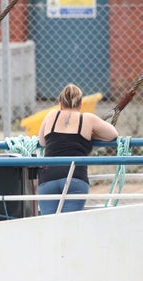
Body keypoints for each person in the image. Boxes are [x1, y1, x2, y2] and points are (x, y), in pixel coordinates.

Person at [37, 83, 118, 215]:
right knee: (69, 226)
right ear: (80, 104)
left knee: (49, 226)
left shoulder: (51, 115)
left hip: (48, 178)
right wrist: (91, 134)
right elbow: (113, 134)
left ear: (60, 103)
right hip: (75, 178)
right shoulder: (88, 119)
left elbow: (42, 141)